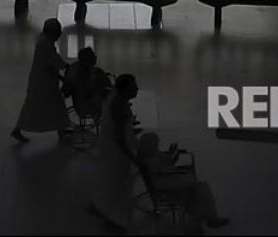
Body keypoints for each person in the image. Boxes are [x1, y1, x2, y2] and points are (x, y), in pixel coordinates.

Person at [136, 132, 230, 230]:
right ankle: (208, 216)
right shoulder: (150, 158)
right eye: (156, 142)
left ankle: (204, 215)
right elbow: (162, 169)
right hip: (165, 182)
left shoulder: (152, 154)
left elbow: (166, 163)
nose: (157, 144)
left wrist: (172, 155)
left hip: (167, 179)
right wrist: (173, 166)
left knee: (199, 188)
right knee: (200, 187)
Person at [87, 73, 141, 234]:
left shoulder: (114, 98)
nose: (137, 89)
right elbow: (120, 138)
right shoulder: (120, 108)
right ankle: (112, 219)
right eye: (133, 87)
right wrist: (132, 156)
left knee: (108, 179)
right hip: (116, 151)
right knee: (118, 183)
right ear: (124, 90)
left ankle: (99, 206)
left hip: (107, 145)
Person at [11, 18, 71, 143]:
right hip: (43, 83)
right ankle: (61, 130)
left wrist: (64, 66)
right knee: (51, 105)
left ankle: (61, 129)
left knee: (35, 106)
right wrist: (62, 77)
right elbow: (49, 65)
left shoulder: (44, 41)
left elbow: (53, 58)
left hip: (41, 81)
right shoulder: (45, 44)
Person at [62, 47, 112, 120]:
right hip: (87, 104)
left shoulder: (94, 71)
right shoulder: (76, 72)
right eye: (92, 55)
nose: (95, 57)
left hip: (89, 102)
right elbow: (66, 91)